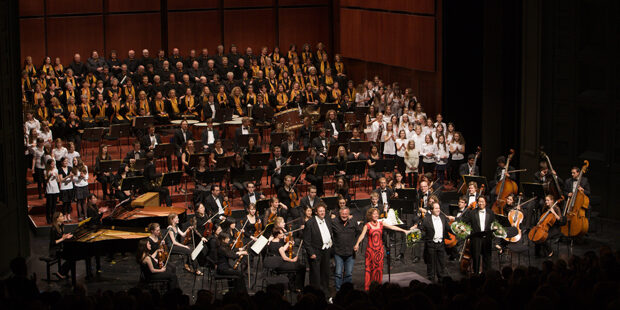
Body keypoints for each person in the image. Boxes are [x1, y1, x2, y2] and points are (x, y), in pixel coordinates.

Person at [353, 207, 414, 290]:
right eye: (374, 214)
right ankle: (369, 287)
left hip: (379, 250)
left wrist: (404, 231)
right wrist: (357, 244)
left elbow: (393, 227)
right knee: (370, 269)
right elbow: (362, 235)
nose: (376, 215)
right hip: (370, 250)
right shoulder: (367, 225)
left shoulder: (381, 223)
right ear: (370, 215)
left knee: (378, 269)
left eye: (377, 214)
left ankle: (377, 286)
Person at [303, 203, 333, 294]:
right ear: (316, 212)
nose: (322, 213)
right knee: (315, 275)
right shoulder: (310, 223)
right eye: (320, 211)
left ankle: (326, 292)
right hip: (315, 251)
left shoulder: (327, 219)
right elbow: (306, 241)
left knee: (325, 272)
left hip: (326, 250)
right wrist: (311, 253)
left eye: (323, 211)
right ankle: (315, 294)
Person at [461, 196, 495, 274]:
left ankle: (486, 275)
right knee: (476, 258)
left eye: (482, 201)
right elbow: (464, 221)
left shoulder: (490, 212)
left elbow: (494, 223)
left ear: (485, 202)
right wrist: (455, 219)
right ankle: (476, 275)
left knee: (487, 258)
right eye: (479, 201)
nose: (480, 203)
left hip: (487, 239)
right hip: (476, 238)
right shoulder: (472, 212)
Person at [331, 206, 360, 291]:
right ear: (339, 214)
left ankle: (347, 292)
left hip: (350, 253)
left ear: (349, 214)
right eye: (343, 214)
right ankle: (338, 291)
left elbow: (359, 233)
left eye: (346, 214)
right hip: (338, 253)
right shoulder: (334, 222)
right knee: (338, 273)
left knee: (348, 274)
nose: (344, 215)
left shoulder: (353, 221)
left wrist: (357, 244)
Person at [420, 202, 450, 282]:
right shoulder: (426, 219)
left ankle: (441, 280)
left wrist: (458, 230)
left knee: (441, 263)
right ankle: (431, 280)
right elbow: (422, 230)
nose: (438, 210)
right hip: (431, 244)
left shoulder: (443, 218)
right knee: (431, 263)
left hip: (441, 244)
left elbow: (448, 228)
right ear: (431, 210)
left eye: (439, 208)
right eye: (436, 208)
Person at [49, 212, 73, 279]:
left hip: (60, 248)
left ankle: (63, 272)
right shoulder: (53, 229)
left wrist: (66, 236)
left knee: (72, 255)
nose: (63, 217)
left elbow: (60, 237)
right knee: (71, 257)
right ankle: (61, 272)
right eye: (61, 216)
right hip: (54, 250)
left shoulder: (61, 226)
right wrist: (63, 238)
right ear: (57, 219)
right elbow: (53, 242)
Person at [57, 157, 74, 222]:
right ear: (62, 162)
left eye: (67, 161)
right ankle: (64, 216)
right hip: (64, 188)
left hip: (70, 187)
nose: (66, 163)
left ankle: (68, 216)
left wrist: (72, 176)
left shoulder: (70, 168)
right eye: (64, 161)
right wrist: (68, 176)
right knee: (64, 203)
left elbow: (72, 179)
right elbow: (61, 179)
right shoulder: (60, 169)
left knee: (69, 203)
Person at [45, 159, 60, 224]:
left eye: (54, 164)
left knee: (54, 205)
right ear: (49, 165)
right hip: (49, 189)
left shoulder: (56, 170)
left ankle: (53, 219)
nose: (53, 165)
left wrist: (57, 176)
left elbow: (58, 180)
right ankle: (48, 218)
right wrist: (49, 176)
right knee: (49, 205)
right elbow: (46, 181)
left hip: (55, 189)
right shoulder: (46, 171)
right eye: (52, 164)